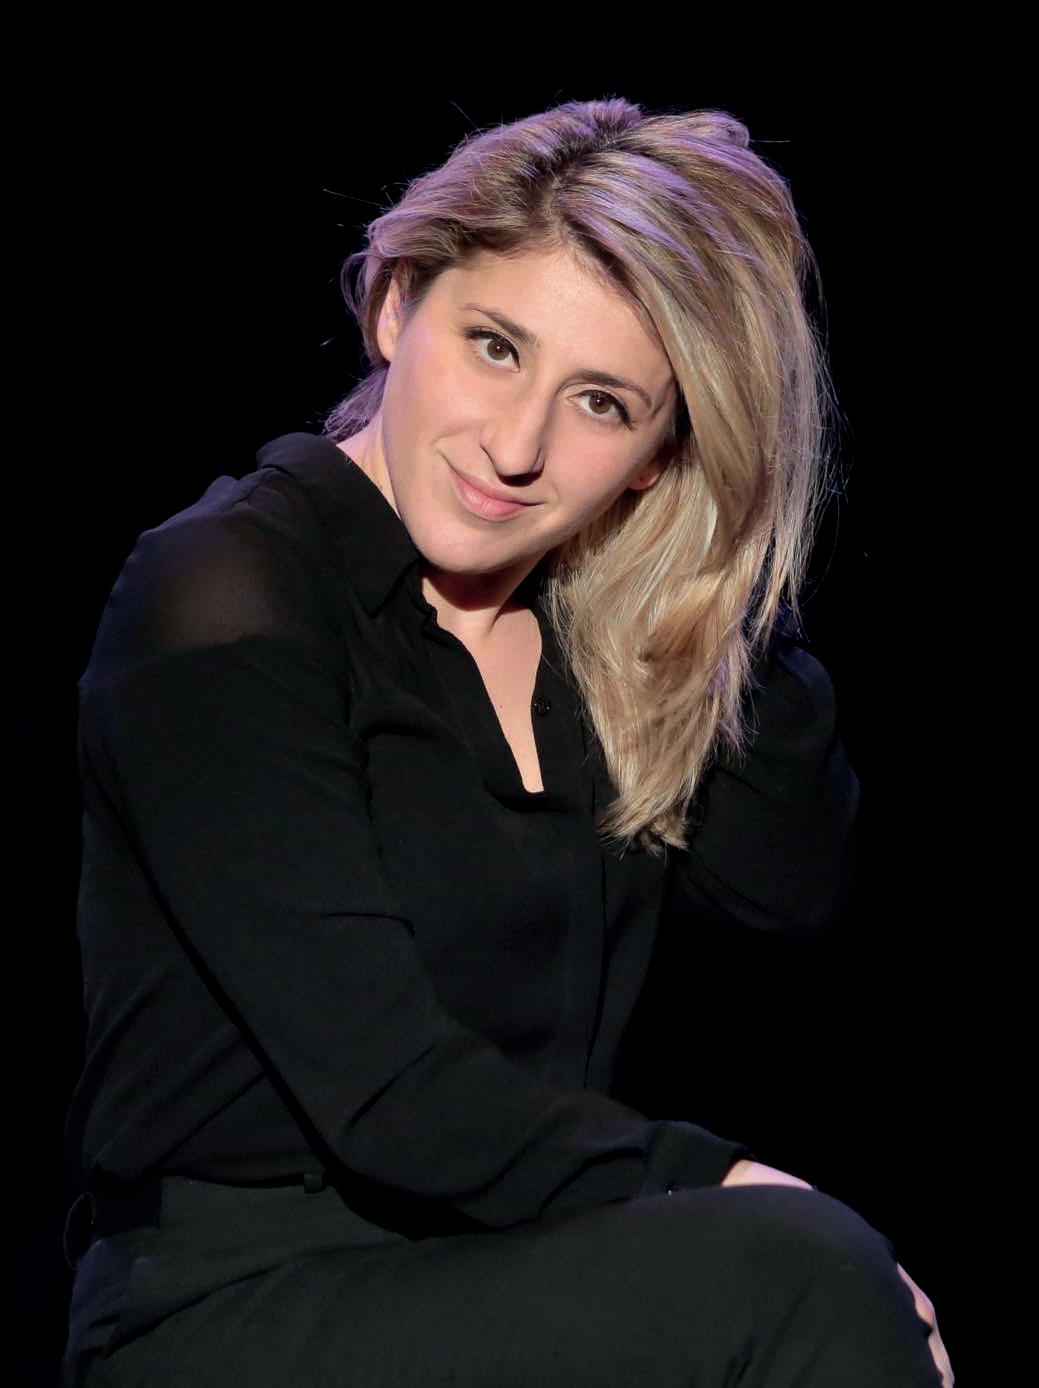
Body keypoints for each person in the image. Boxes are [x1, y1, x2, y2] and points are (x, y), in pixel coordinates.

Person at [59, 98, 952, 1386]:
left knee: (809, 1277)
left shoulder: (587, 642)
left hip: (512, 1270)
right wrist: (732, 1187)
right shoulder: (224, 594)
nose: (518, 447)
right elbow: (382, 1087)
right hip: (237, 1305)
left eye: (602, 403)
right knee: (803, 1274)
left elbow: (788, 889)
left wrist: (720, 561)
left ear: (658, 458)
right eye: (494, 346)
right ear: (396, 305)